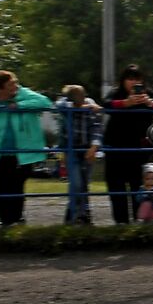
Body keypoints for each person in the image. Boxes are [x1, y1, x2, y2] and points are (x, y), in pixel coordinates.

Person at [0, 70, 53, 226]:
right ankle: (6, 222)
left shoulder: (24, 93)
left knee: (16, 186)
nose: (15, 86)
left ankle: (15, 220)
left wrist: (19, 105)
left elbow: (45, 103)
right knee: (0, 187)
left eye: (15, 82)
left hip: (23, 152)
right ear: (0, 88)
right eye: (11, 84)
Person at [102, 64, 153, 224]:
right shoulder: (117, 93)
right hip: (116, 149)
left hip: (139, 150)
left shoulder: (148, 93)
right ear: (123, 81)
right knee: (117, 189)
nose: (133, 83)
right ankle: (121, 223)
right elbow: (106, 104)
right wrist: (125, 103)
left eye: (137, 79)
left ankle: (140, 222)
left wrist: (151, 104)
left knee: (140, 189)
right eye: (130, 79)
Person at [55, 85, 103, 225]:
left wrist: (94, 147)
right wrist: (76, 107)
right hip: (71, 150)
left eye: (82, 95)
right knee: (76, 183)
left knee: (84, 183)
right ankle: (77, 213)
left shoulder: (90, 106)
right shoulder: (66, 106)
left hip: (86, 149)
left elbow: (96, 128)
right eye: (77, 96)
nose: (81, 98)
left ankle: (79, 214)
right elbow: (59, 105)